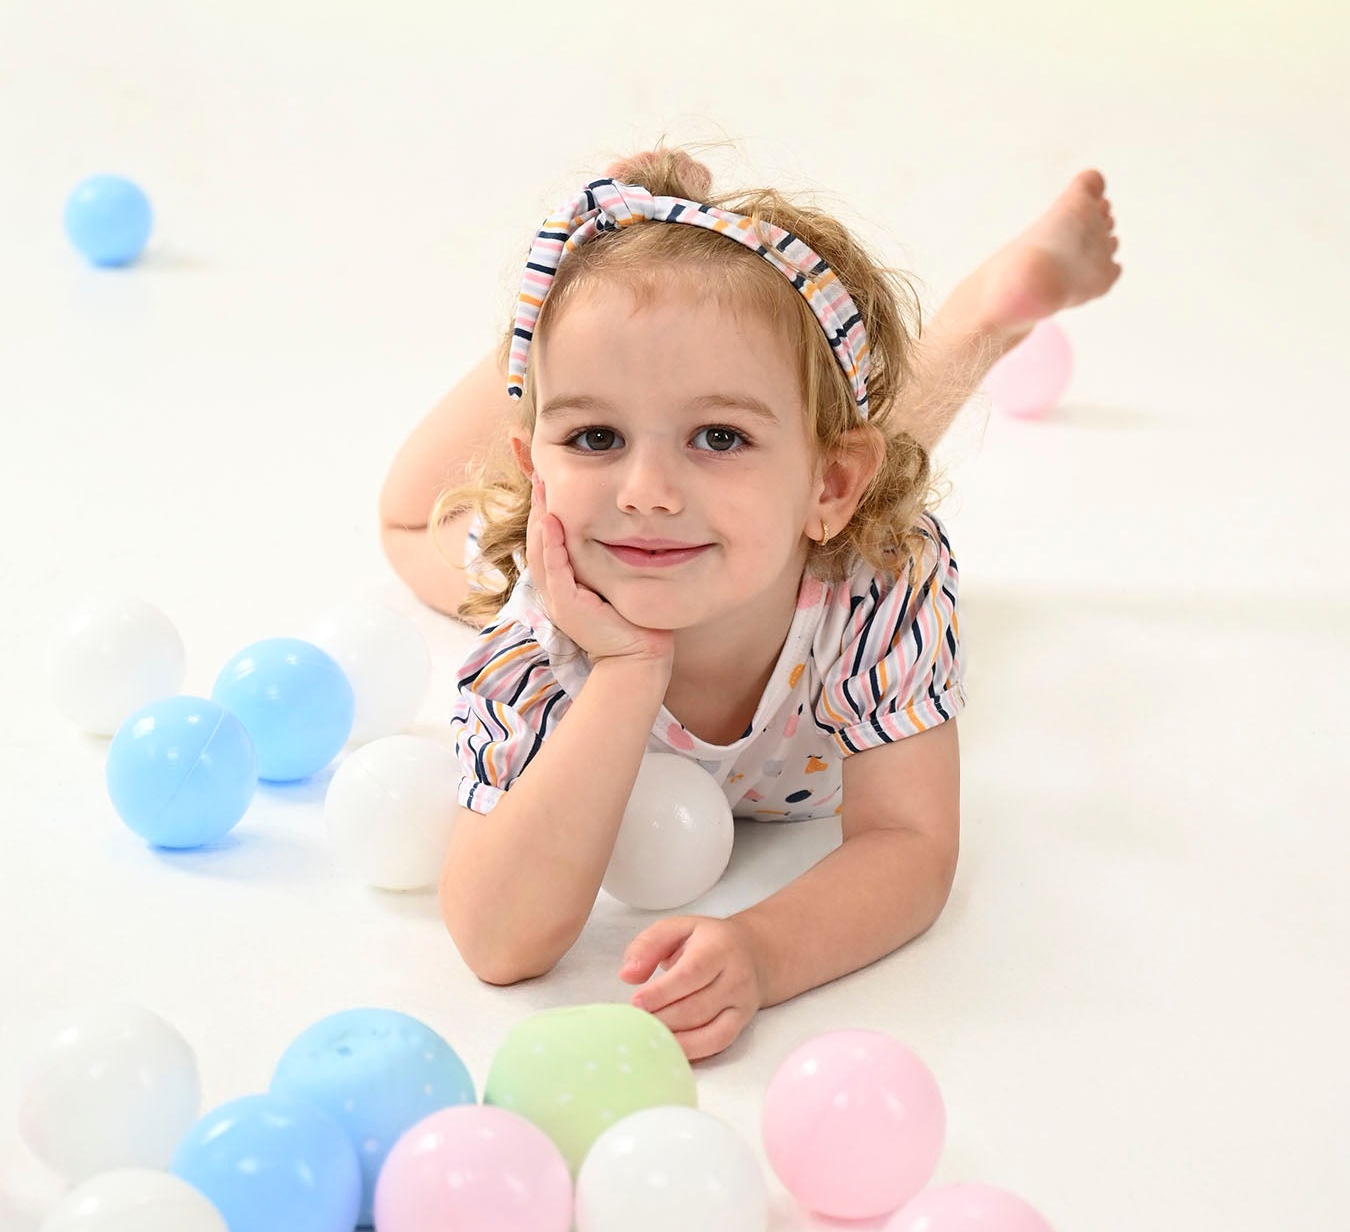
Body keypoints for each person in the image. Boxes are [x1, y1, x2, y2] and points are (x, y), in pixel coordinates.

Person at [379, 142, 1121, 1061]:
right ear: (537, 473)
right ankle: (569, 332)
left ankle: (983, 317)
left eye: (719, 436)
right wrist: (625, 669)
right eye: (595, 435)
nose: (647, 493)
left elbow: (909, 842)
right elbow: (497, 944)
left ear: (831, 487)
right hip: (631, 554)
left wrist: (766, 951)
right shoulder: (544, 627)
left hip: (819, 537)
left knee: (880, 464)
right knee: (408, 525)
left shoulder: (877, 582)